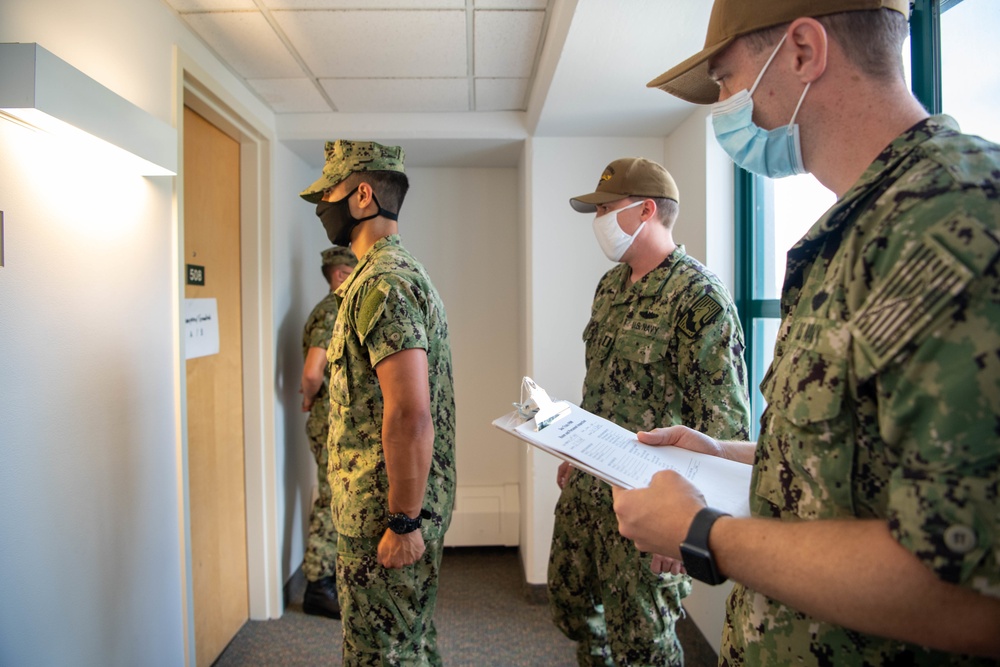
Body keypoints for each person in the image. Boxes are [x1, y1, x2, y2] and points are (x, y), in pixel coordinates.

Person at [612, 1, 1000, 664]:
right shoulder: (869, 223)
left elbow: (969, 588)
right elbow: (872, 460)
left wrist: (702, 532)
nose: (724, 109)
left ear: (802, 52)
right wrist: (726, 451)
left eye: (728, 82)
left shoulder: (948, 219)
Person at [548, 157, 752, 666]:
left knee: (644, 646)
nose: (598, 220)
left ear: (645, 210)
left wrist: (693, 517)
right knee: (573, 609)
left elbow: (726, 424)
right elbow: (599, 386)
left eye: (606, 208)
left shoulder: (699, 298)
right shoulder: (611, 288)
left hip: (651, 501)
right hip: (589, 491)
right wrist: (574, 450)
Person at [300, 139, 456, 666]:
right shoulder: (376, 278)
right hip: (378, 507)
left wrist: (405, 521)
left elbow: (410, 413)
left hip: (383, 515)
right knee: (407, 643)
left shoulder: (383, 284)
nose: (324, 208)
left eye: (331, 194)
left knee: (381, 654)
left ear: (362, 195)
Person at [299, 244, 357, 619]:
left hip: (330, 418)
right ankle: (318, 585)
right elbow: (311, 371)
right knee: (331, 499)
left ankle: (328, 578)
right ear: (340, 275)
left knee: (337, 496)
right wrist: (309, 398)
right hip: (330, 420)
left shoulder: (330, 308)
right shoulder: (332, 309)